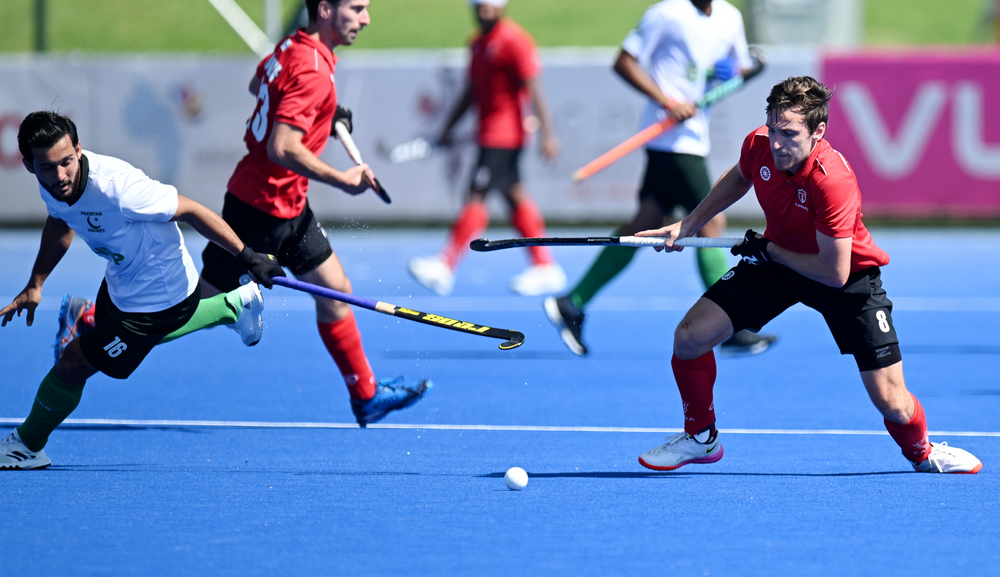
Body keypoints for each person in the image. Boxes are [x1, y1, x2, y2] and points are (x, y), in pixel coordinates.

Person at [632, 76, 982, 474]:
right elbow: (740, 175)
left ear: (818, 131)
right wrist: (690, 223)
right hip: (777, 265)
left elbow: (833, 273)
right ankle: (701, 437)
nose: (776, 143)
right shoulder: (759, 144)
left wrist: (767, 250)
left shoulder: (832, 182)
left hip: (847, 279)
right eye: (772, 129)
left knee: (891, 401)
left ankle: (922, 451)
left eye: (789, 134)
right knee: (689, 337)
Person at [0, 110, 284, 470]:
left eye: (67, 162)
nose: (59, 175)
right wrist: (35, 283)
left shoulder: (121, 190)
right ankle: (233, 305)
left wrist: (247, 257)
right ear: (29, 165)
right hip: (122, 279)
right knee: (112, 336)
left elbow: (192, 210)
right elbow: (60, 221)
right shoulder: (55, 183)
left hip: (161, 296)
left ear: (79, 149)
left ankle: (27, 445)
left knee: (73, 363)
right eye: (47, 167)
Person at [198, 0, 430, 427]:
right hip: (259, 211)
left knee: (335, 290)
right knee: (200, 307)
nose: (366, 19)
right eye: (356, 8)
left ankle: (366, 396)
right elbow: (282, 147)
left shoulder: (295, 46)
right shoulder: (314, 70)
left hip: (289, 206)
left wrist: (324, 115)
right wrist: (343, 180)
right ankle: (95, 324)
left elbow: (258, 84)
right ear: (325, 8)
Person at [544, 0, 776, 356]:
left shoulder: (730, 18)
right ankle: (730, 324)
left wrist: (733, 71)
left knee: (644, 223)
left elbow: (739, 69)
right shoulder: (666, 14)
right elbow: (624, 62)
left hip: (694, 137)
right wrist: (668, 101)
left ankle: (572, 302)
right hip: (671, 141)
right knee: (711, 223)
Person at [408, 0, 565, 297]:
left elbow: (533, 88)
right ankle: (545, 265)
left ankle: (445, 265)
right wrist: (447, 128)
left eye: (490, 5)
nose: (484, 10)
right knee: (514, 197)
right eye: (479, 5)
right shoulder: (477, 44)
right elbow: (471, 91)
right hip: (489, 135)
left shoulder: (515, 40)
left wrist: (548, 134)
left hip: (506, 136)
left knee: (476, 196)